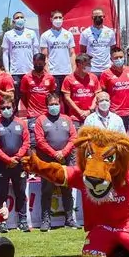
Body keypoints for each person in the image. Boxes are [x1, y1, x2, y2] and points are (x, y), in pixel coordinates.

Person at [33, 93, 79, 230]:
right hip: (48, 161)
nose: (54, 106)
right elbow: (40, 141)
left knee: (67, 190)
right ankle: (45, 221)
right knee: (47, 190)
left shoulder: (67, 119)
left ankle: (69, 219)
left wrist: (63, 153)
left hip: (65, 160)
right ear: (46, 106)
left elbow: (73, 138)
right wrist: (54, 154)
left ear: (60, 104)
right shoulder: (41, 120)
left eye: (56, 103)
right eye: (51, 104)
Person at [0, 96, 30, 233]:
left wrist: (17, 158)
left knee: (20, 193)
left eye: (8, 107)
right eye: (3, 108)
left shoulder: (21, 123)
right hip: (2, 165)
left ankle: (23, 221)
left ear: (13, 108)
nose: (6, 110)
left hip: (19, 165)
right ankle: (2, 222)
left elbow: (26, 143)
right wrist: (7, 159)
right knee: (1, 194)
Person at [1, 11, 39, 114]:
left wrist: (36, 67)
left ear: (25, 19)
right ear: (13, 21)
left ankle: (33, 117)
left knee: (31, 97)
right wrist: (7, 71)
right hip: (15, 72)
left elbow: (36, 52)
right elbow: (5, 53)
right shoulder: (8, 34)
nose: (20, 19)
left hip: (30, 71)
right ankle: (13, 116)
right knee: (15, 97)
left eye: (21, 17)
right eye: (17, 18)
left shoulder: (31, 33)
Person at [19, 52, 56, 148]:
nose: (38, 66)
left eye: (40, 64)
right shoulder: (26, 78)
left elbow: (52, 95)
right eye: (36, 64)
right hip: (32, 115)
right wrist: (28, 109)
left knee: (48, 139)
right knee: (34, 142)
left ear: (44, 63)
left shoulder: (50, 78)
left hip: (47, 114)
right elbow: (23, 96)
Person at [100, 46, 129, 130]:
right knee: (117, 139)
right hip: (115, 113)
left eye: (121, 57)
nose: (119, 59)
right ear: (111, 59)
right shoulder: (106, 74)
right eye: (116, 57)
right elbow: (102, 93)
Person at [39, 9, 76, 91]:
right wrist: (48, 72)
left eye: (60, 17)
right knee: (55, 97)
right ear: (51, 19)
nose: (58, 20)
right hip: (53, 73)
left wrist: (73, 71)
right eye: (56, 18)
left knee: (67, 97)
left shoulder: (68, 34)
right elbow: (44, 56)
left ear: (63, 19)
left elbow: (72, 54)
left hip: (67, 73)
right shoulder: (45, 35)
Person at [62, 53, 99, 129]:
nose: (90, 66)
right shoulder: (69, 79)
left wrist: (90, 110)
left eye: (90, 63)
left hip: (91, 115)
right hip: (75, 117)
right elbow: (67, 98)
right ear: (79, 64)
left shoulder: (93, 77)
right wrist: (80, 111)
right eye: (87, 64)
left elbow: (97, 94)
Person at [78, 7, 116, 77]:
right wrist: (85, 68)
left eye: (100, 16)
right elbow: (83, 52)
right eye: (95, 17)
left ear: (104, 17)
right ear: (92, 18)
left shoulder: (110, 32)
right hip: (91, 70)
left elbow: (113, 50)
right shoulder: (85, 33)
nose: (98, 18)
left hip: (107, 69)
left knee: (106, 88)